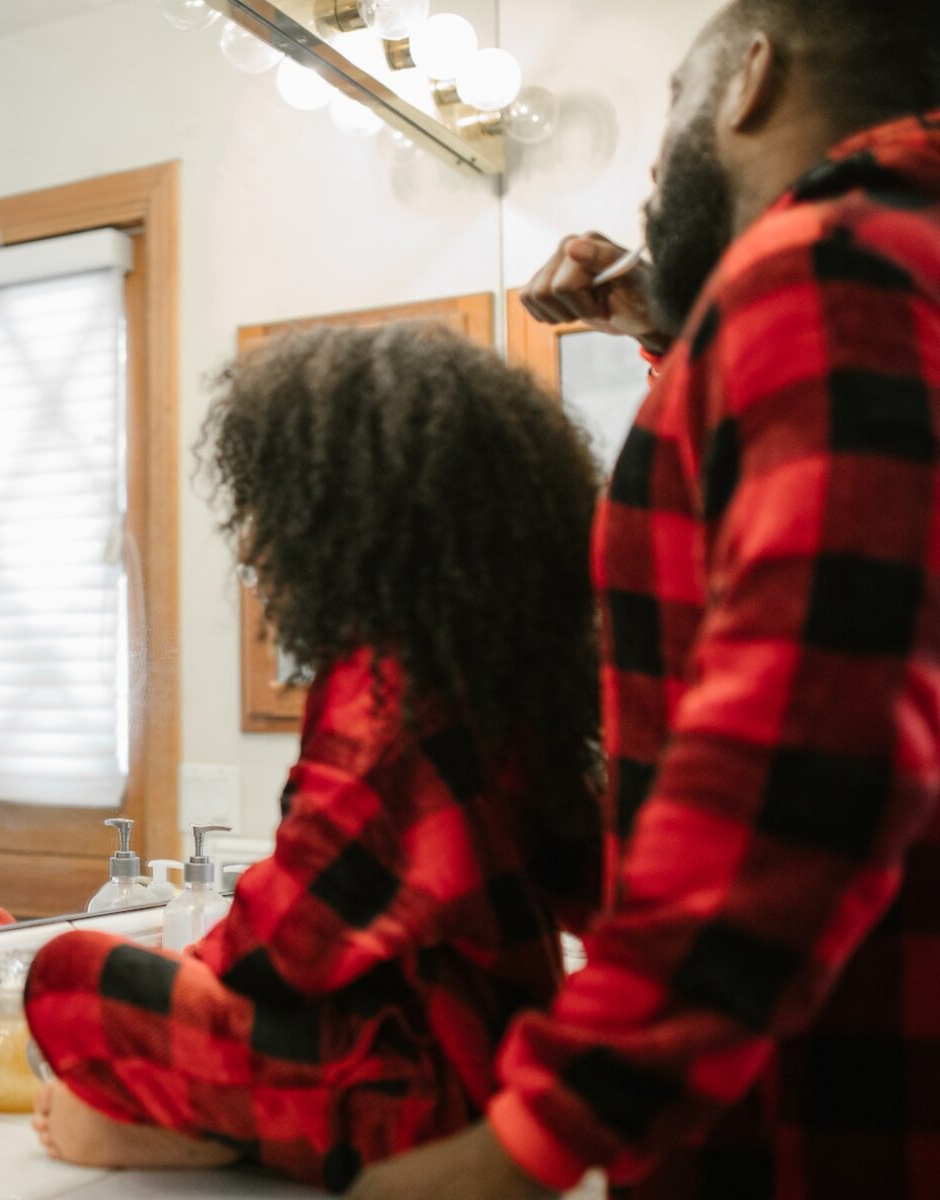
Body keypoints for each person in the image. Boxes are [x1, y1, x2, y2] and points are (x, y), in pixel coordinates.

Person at [350, 2, 940, 1197]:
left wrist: (534, 1141)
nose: (654, 163)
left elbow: (809, 743)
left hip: (825, 1120)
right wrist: (681, 326)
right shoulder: (899, 256)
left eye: (673, 107)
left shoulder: (834, 261)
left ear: (754, 81)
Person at [23, 324, 606, 1193]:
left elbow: (278, 949)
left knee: (67, 977)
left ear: (344, 520)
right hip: (499, 1068)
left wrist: (151, 1029)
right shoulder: (498, 679)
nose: (255, 554)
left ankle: (207, 1141)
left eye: (270, 517)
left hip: (418, 1107)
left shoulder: (379, 689)